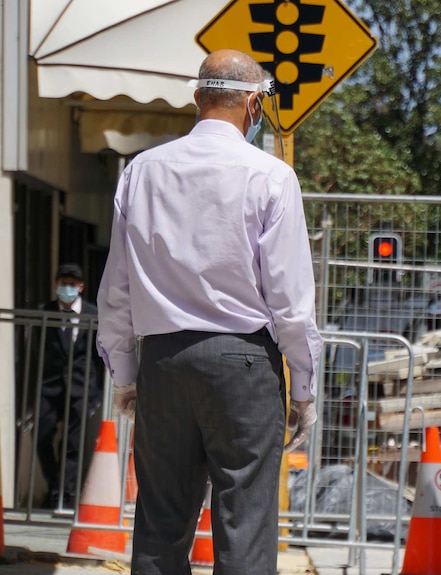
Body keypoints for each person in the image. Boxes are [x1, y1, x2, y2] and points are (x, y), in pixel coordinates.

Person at [96, 49, 323, 575]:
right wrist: (305, 387)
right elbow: (290, 300)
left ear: (197, 99)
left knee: (159, 525)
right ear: (254, 106)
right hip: (244, 364)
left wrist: (126, 376)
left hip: (164, 361)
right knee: (244, 523)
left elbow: (118, 289)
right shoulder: (270, 176)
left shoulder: (142, 171)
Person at [36, 262, 104, 509]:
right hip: (50, 387)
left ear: (81, 287)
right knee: (42, 437)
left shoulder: (92, 314)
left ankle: (65, 494)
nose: (67, 288)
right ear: (56, 284)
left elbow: (99, 355)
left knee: (73, 443)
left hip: (81, 387)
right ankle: (55, 484)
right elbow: (37, 351)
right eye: (63, 283)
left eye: (72, 284)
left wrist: (96, 392)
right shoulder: (45, 310)